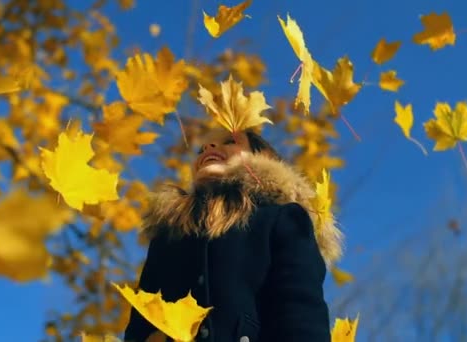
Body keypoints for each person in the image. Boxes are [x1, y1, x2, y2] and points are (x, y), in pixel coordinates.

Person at [123, 128, 343, 342]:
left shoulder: (281, 219)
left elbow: (300, 312)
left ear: (262, 158)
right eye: (202, 148)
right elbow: (141, 326)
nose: (208, 146)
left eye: (229, 141)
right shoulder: (170, 235)